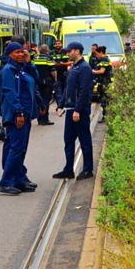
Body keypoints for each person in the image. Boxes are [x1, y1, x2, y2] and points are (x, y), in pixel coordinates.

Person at [0, 42, 39, 195]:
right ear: (9, 54)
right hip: (16, 115)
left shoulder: (21, 68)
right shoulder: (9, 70)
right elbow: (10, 93)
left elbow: (36, 80)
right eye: (17, 52)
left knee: (20, 148)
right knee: (16, 148)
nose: (21, 54)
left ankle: (19, 179)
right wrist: (19, 113)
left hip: (26, 113)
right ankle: (6, 182)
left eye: (22, 51)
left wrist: (29, 63)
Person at [53, 42, 94, 181]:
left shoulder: (85, 68)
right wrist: (61, 105)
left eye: (69, 51)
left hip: (79, 111)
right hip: (70, 109)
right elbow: (68, 88)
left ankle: (88, 169)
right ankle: (68, 169)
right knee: (69, 140)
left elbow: (84, 91)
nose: (67, 54)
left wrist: (78, 110)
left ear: (77, 51)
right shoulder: (73, 68)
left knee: (84, 140)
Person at [32, 44, 56, 126]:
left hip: (37, 82)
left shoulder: (35, 58)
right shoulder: (48, 58)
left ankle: (39, 119)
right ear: (47, 50)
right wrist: (55, 79)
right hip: (47, 82)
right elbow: (53, 71)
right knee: (46, 100)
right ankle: (45, 119)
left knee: (39, 99)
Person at [90, 45, 113, 123]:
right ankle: (106, 116)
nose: (96, 55)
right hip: (102, 82)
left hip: (105, 82)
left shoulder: (104, 60)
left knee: (104, 100)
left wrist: (92, 71)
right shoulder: (102, 59)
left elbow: (102, 71)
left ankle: (106, 116)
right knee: (103, 99)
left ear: (101, 52)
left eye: (97, 54)